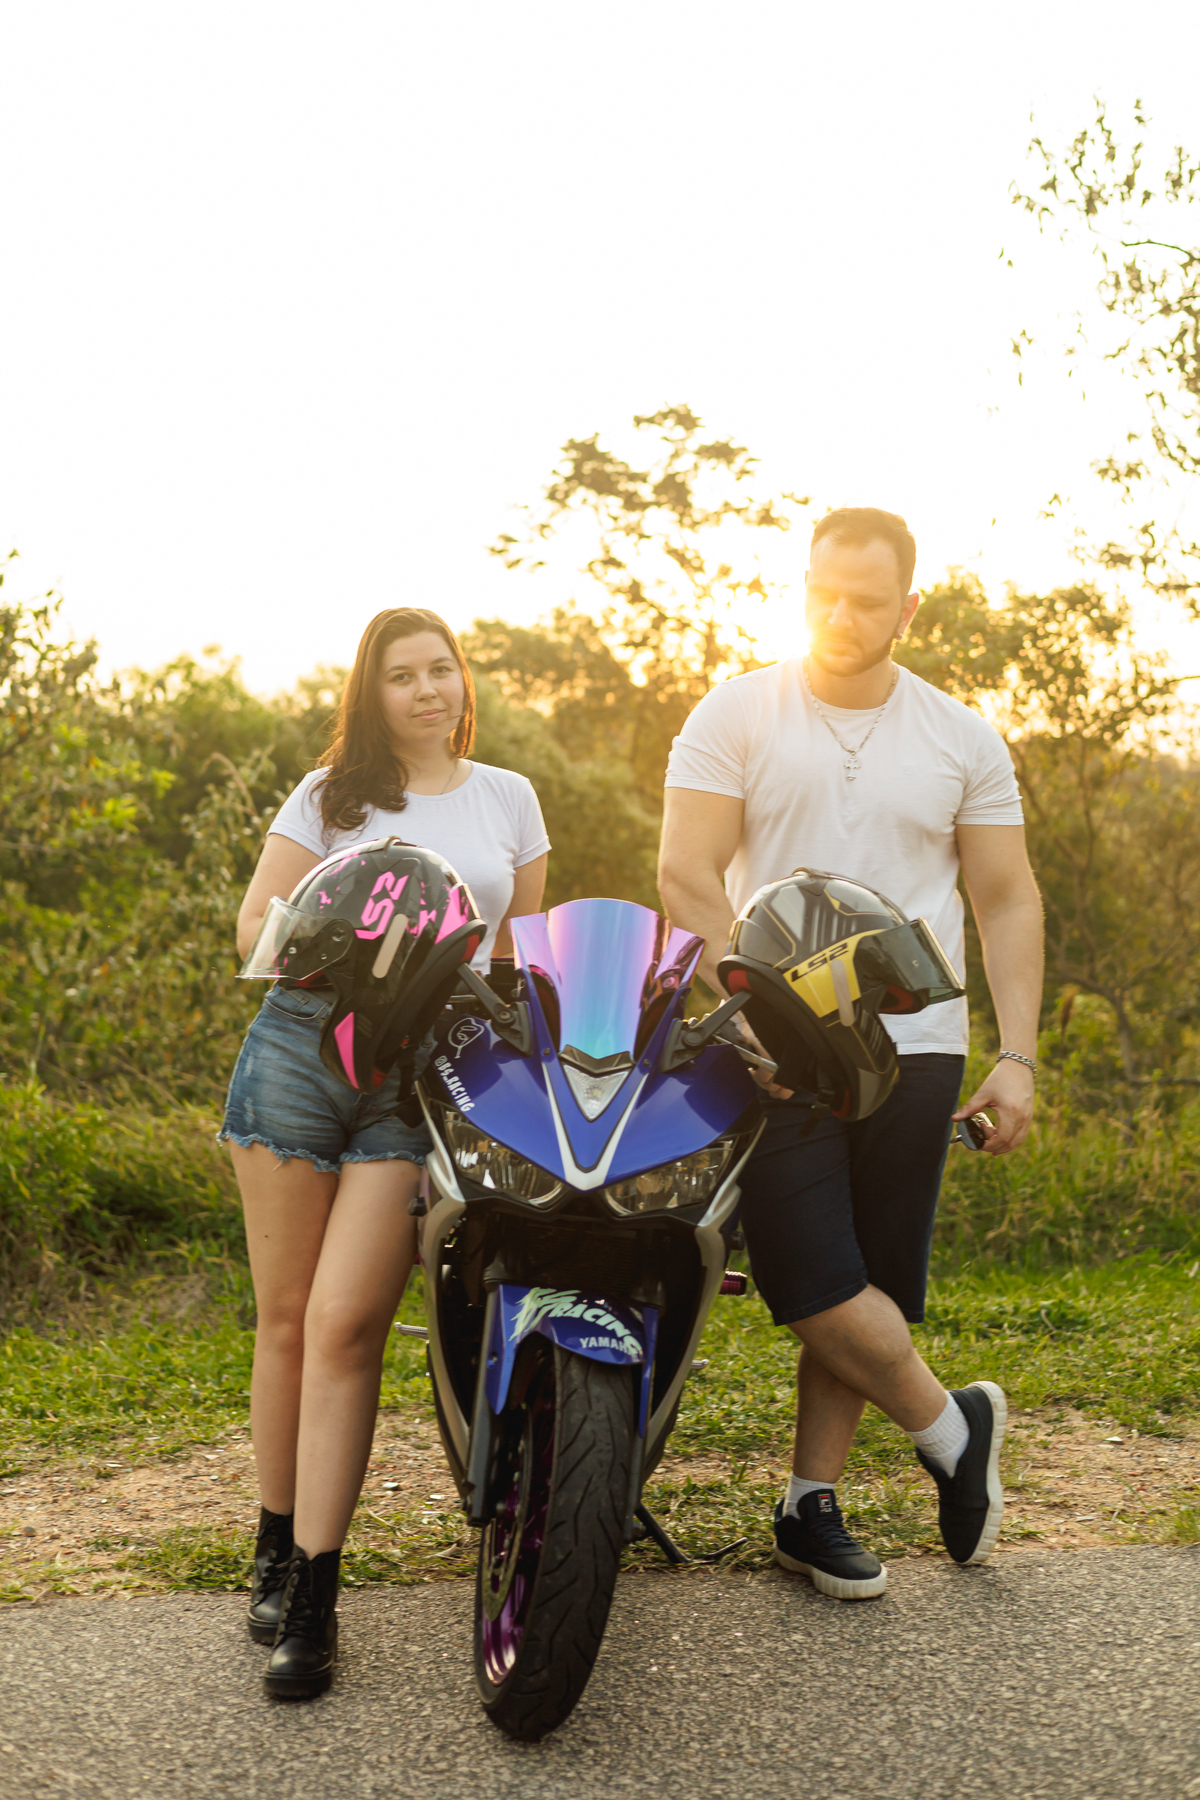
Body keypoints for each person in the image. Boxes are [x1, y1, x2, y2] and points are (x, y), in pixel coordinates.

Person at [658, 507, 1043, 1598]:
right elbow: (688, 874)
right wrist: (754, 1015)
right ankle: (952, 1428)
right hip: (772, 1044)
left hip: (914, 1043)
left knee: (870, 1275)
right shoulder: (736, 713)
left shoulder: (960, 736)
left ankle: (807, 1505)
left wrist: (1016, 1057)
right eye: (824, 590)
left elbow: (1006, 899)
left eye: (868, 599)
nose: (841, 614)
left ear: (909, 607)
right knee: (804, 1272)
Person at [220, 607, 549, 1695]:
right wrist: (342, 928)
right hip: (304, 1049)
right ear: (373, 692)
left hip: (422, 1076)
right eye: (401, 675)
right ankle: (276, 1547)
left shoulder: (509, 799)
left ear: (464, 682)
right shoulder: (330, 797)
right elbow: (253, 928)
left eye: (439, 670)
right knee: (285, 1319)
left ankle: (315, 1595)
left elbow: (521, 961)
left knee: (347, 1321)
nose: (424, 689)